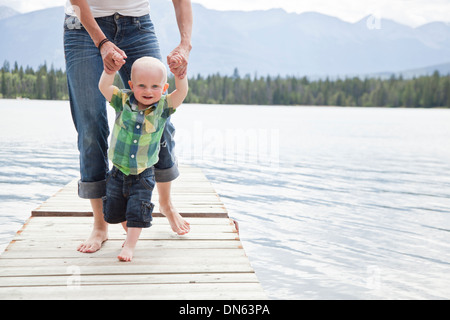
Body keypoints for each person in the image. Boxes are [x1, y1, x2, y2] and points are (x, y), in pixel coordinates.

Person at [64, 0, 192, 253]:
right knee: (90, 125)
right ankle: (100, 225)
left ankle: (165, 203)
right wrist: (102, 43)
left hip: (137, 23)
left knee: (159, 117)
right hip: (83, 27)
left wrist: (185, 45)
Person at [98, 56, 188, 261]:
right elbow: (104, 86)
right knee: (114, 211)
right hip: (118, 170)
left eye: (155, 86)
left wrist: (180, 76)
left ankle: (130, 245)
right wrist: (110, 71)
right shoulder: (122, 101)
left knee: (137, 211)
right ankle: (128, 234)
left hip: (143, 174)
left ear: (164, 87)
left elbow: (181, 92)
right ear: (131, 85)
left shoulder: (163, 107)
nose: (148, 91)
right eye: (142, 85)